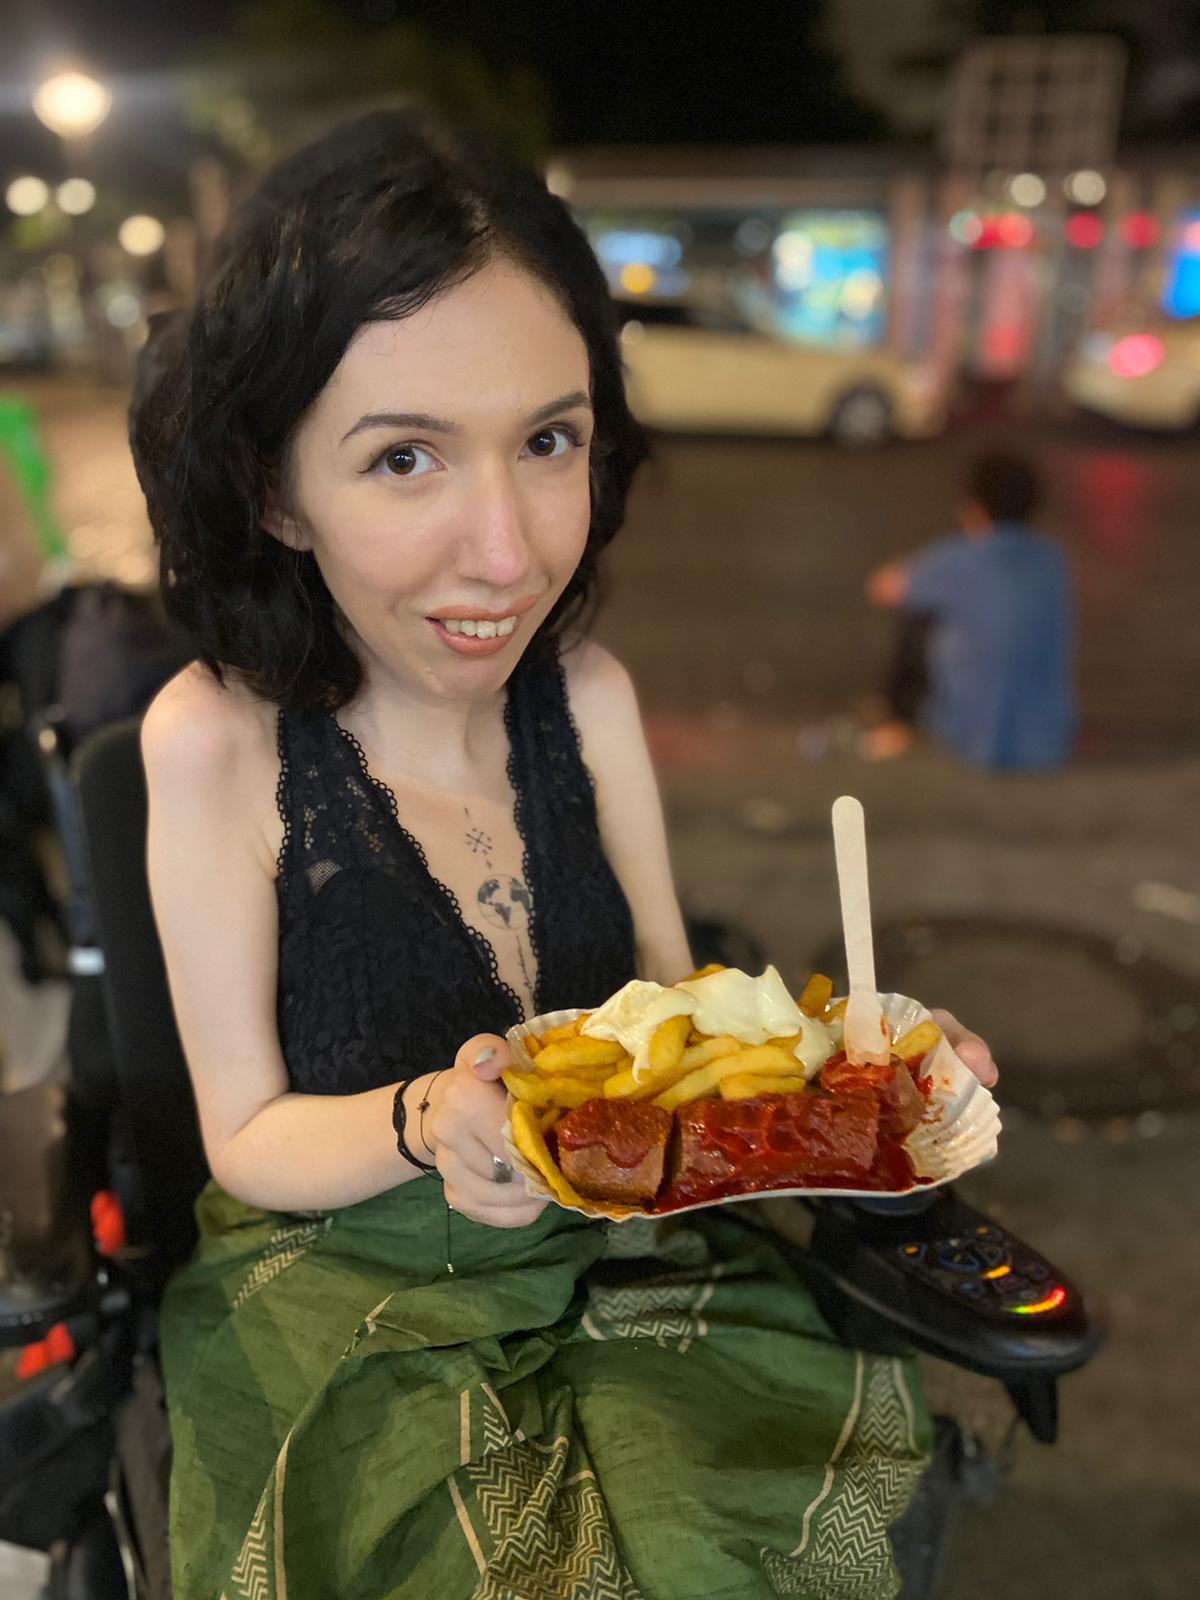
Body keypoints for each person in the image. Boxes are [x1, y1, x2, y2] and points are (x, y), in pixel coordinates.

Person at [133, 109, 997, 1600]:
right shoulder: (215, 741)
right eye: (405, 457)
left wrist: (847, 1071)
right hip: (349, 1300)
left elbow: (679, 1019)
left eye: (550, 441)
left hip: (639, 1273)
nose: (509, 550)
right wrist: (425, 1121)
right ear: (275, 490)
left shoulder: (588, 697)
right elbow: (245, 1138)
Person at [863, 451, 1075, 769]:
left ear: (976, 508)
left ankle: (896, 720)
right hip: (1047, 740)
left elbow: (883, 588)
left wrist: (909, 563)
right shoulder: (1051, 559)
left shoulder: (960, 559)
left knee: (919, 615)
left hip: (971, 735)